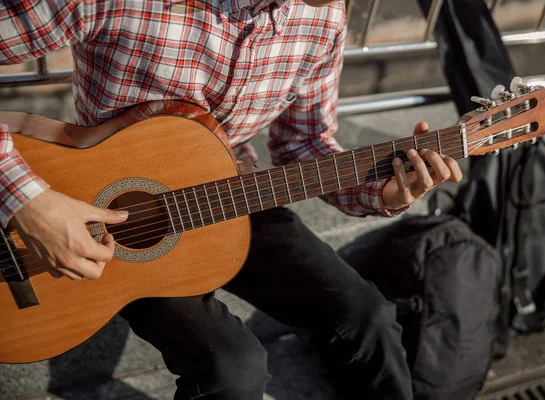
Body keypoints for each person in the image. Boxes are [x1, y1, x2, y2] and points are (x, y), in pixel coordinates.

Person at [0, 1, 462, 399]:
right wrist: (28, 200)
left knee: (371, 319)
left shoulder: (323, 16)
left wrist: (388, 190)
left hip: (233, 194)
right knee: (233, 368)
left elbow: (304, 145)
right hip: (101, 214)